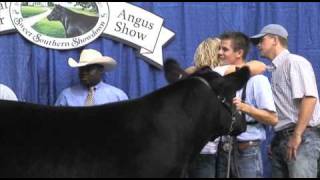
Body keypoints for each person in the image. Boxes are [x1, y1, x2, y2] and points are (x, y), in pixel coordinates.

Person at [185, 37, 270, 178]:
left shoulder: (192, 75)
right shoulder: (219, 71)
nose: (222, 53)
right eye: (220, 49)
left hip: (192, 148)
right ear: (215, 54)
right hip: (208, 150)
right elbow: (260, 66)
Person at [250, 24, 320, 178]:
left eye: (261, 40)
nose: (259, 45)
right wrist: (277, 140)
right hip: (283, 138)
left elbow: (309, 99)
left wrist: (297, 135)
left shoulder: (294, 62)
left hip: (302, 137)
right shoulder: (274, 70)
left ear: (275, 40)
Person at [216, 32, 278, 178]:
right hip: (224, 151)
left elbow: (273, 119)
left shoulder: (258, 81)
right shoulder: (221, 78)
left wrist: (245, 108)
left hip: (246, 152)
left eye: (224, 49)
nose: (219, 53)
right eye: (219, 48)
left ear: (239, 53)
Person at [55, 49, 128, 106]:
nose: (83, 72)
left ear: (101, 70)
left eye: (89, 69)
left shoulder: (118, 97)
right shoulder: (66, 96)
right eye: (81, 68)